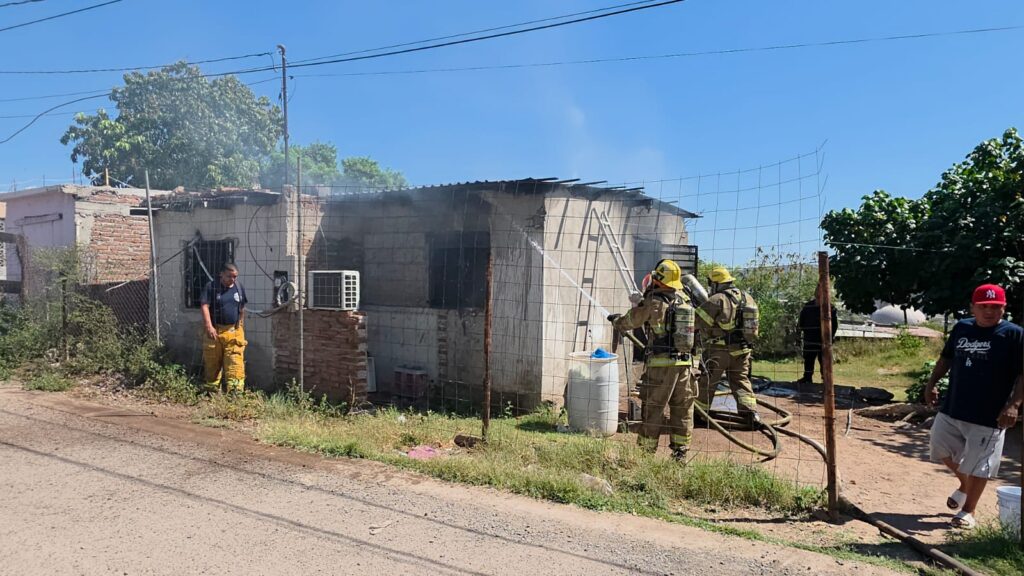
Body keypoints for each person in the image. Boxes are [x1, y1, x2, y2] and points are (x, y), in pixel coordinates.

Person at [925, 283, 1022, 529]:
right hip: (954, 405)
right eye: (983, 306)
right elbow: (946, 358)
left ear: (1004, 308)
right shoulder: (962, 327)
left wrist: (1014, 405)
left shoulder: (1014, 334)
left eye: (995, 307)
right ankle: (966, 487)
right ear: (973, 307)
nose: (989, 311)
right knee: (939, 447)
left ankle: (968, 512)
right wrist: (932, 383)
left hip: (990, 415)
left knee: (981, 465)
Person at [609, 259, 697, 460]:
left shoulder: (654, 302)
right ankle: (680, 454)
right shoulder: (684, 300)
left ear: (658, 278)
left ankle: (645, 454)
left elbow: (631, 320)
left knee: (654, 408)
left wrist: (617, 321)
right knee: (682, 410)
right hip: (685, 365)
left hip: (661, 367)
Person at [695, 266, 761, 427]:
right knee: (741, 381)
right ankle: (750, 414)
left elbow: (697, 322)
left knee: (708, 382)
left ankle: (700, 415)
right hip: (743, 350)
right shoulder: (747, 297)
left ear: (716, 283)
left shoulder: (717, 299)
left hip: (719, 351)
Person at [200, 263, 248, 394]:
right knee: (212, 362)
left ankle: (235, 392)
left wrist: (240, 324)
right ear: (221, 274)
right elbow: (204, 306)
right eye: (229, 276)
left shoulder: (239, 287)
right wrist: (209, 327)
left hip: (234, 332)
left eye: (234, 277)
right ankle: (212, 391)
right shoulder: (211, 287)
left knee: (235, 362)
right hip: (215, 332)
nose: (232, 279)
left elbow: (242, 307)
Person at [796, 286, 838, 384]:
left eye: (823, 292)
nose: (820, 294)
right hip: (809, 339)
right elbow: (801, 322)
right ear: (815, 293)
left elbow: (834, 325)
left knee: (824, 361)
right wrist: (804, 331)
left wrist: (830, 337)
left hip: (824, 340)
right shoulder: (808, 307)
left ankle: (826, 380)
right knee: (808, 359)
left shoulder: (831, 308)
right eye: (818, 292)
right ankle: (807, 378)